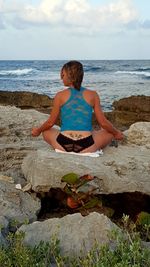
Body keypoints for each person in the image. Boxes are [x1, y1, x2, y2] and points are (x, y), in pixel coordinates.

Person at [32, 60, 124, 153]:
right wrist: (116, 133)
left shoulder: (60, 95)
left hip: (63, 143)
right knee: (109, 132)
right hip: (87, 145)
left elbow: (50, 123)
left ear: (70, 76)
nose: (61, 78)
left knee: (46, 131)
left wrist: (38, 130)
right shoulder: (93, 95)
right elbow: (103, 123)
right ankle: (90, 141)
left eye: (63, 75)